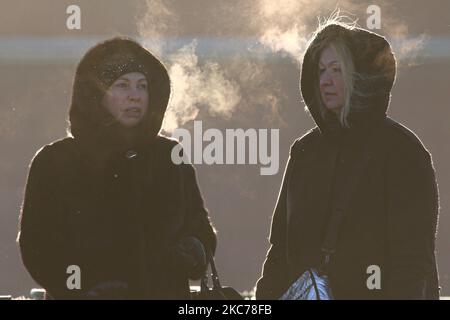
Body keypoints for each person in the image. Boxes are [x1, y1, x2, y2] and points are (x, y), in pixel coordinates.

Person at [17, 37, 216, 299]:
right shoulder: (56, 161)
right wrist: (82, 289)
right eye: (122, 85)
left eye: (142, 86)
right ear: (97, 95)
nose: (135, 95)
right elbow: (38, 246)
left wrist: (192, 250)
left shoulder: (170, 157)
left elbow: (200, 231)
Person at [256, 20, 440, 300]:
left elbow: (412, 262)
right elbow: (280, 249)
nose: (324, 80)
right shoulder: (305, 152)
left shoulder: (403, 153)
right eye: (320, 70)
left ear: (360, 77)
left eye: (336, 70)